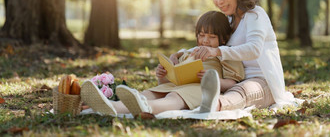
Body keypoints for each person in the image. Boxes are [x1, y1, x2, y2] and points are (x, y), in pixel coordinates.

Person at [170, 0, 299, 113]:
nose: (218, 1)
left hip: (262, 82)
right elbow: (209, 45)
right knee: (231, 88)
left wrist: (216, 51)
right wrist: (179, 54)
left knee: (242, 91)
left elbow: (253, 49)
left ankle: (215, 104)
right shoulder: (229, 20)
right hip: (233, 81)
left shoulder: (256, 15)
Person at [81, 11, 245, 116]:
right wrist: (163, 76)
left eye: (211, 37)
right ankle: (110, 104)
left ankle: (122, 108)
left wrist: (210, 79)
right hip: (175, 86)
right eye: (202, 35)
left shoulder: (226, 54)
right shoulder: (190, 52)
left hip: (198, 88)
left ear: (223, 38)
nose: (205, 41)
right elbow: (173, 80)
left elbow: (233, 83)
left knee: (174, 97)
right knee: (150, 93)